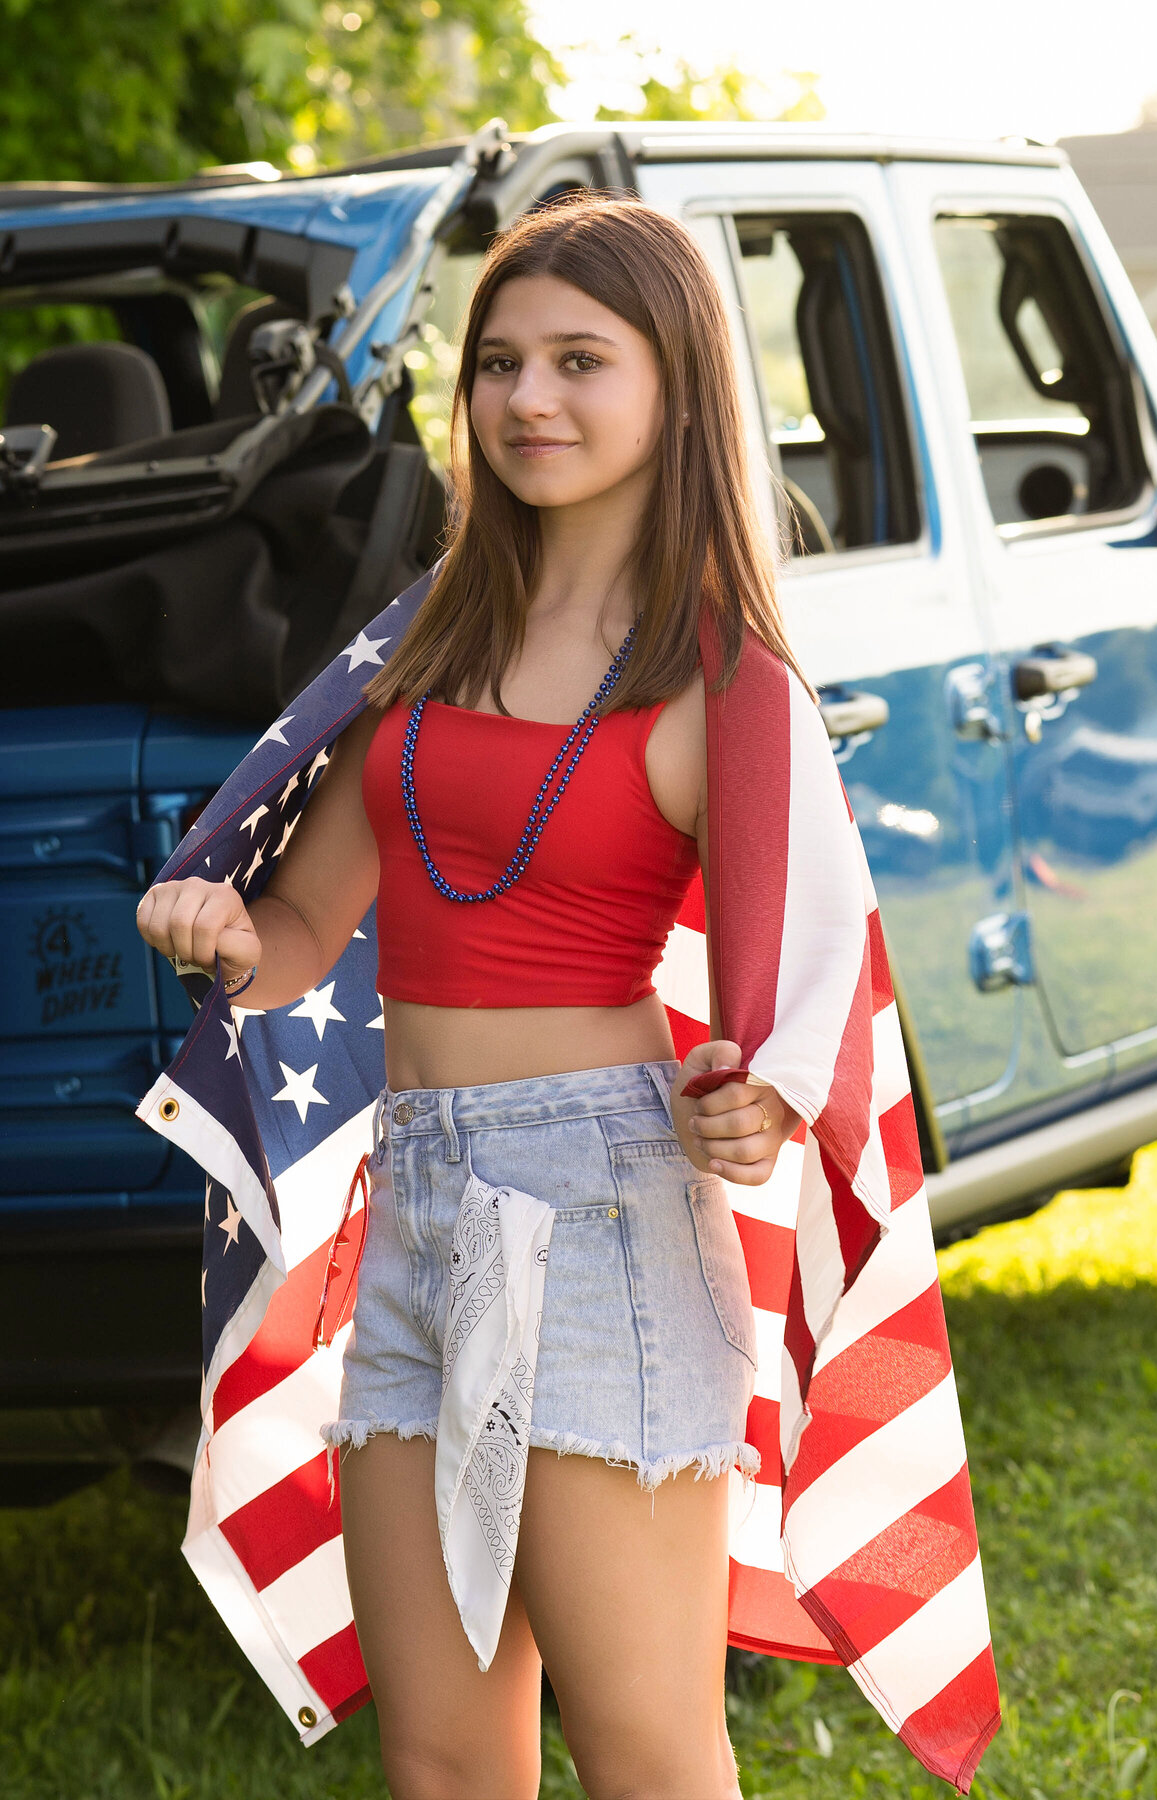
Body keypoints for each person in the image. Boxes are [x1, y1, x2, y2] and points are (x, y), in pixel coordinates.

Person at [133, 195, 817, 1799]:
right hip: (416, 1196)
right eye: (501, 361)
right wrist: (220, 932)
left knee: (645, 1749)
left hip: (601, 1208)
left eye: (583, 359)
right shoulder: (422, 643)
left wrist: (751, 1098)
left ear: (677, 388)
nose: (529, 399)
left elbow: (776, 1004)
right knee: (442, 1756)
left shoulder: (721, 676)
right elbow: (304, 928)